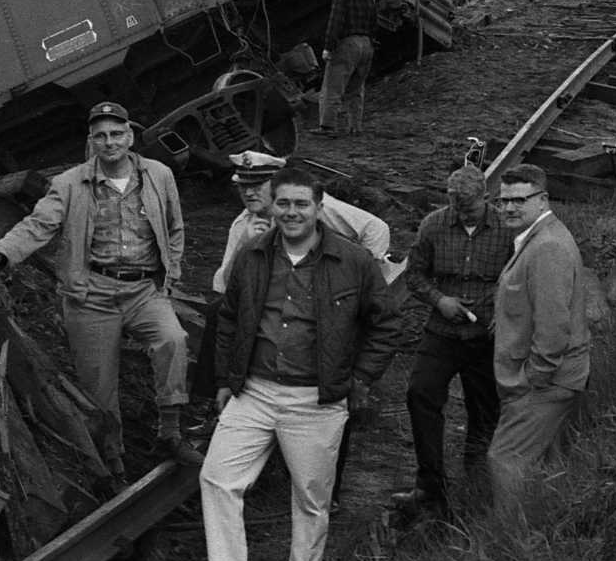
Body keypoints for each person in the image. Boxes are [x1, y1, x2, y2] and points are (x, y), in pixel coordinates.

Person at [199, 165, 401, 561]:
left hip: (316, 400)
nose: (291, 213)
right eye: (283, 203)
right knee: (217, 479)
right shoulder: (253, 253)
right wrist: (225, 382)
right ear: (273, 206)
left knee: (311, 501)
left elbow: (387, 323)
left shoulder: (352, 260)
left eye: (300, 204)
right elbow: (228, 318)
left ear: (318, 207)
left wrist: (361, 379)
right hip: (255, 390)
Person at [0, 101, 202, 479]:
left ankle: (170, 433)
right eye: (101, 137)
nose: (109, 143)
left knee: (173, 341)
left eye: (116, 134)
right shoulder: (69, 184)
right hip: (91, 293)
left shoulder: (158, 175)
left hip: (143, 288)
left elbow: (175, 228)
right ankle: (113, 459)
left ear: (129, 136)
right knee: (99, 382)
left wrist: (169, 277)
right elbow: (37, 226)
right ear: (91, 142)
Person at [207, 149, 399, 512]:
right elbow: (224, 289)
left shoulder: (315, 209)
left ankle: (331, 490)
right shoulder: (244, 228)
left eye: (258, 186)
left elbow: (376, 229)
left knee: (333, 398)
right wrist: (246, 248)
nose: (250, 195)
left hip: (335, 319)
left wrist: (359, 275)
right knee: (218, 317)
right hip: (275, 348)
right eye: (242, 188)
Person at [388, 165, 516, 518]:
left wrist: (497, 310)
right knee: (420, 395)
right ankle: (430, 487)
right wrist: (439, 300)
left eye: (469, 210)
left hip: (486, 337)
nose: (462, 215)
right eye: (456, 209)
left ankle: (477, 487)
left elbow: (517, 278)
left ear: (486, 200)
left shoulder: (508, 230)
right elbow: (414, 274)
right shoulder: (433, 225)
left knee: (485, 410)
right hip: (442, 333)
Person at [487, 164, 590, 510]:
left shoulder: (547, 246)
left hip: (545, 380)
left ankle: (510, 541)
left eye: (520, 200)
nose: (509, 208)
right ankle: (548, 533)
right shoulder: (537, 237)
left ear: (543, 199)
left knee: (506, 459)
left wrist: (533, 377)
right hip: (549, 376)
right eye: (503, 202)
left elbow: (553, 323)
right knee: (547, 465)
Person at [315, 0, 378, 137]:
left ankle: (327, 126)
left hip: (348, 44)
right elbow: (375, 24)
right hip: (366, 45)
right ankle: (355, 127)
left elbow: (335, 23)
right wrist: (370, 43)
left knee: (332, 87)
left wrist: (328, 48)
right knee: (356, 89)